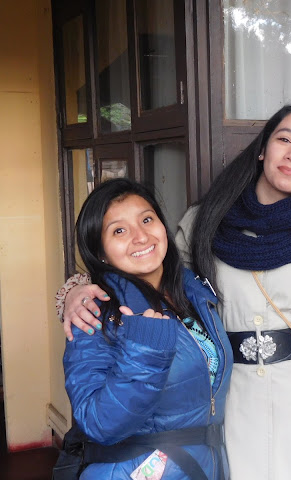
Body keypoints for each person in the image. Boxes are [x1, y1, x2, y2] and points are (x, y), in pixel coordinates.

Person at [56, 104, 291, 479]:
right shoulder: (205, 220)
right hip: (235, 398)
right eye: (284, 139)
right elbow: (156, 274)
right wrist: (76, 289)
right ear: (262, 149)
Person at [62, 178, 233, 479]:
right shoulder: (94, 314)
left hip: (202, 465)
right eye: (119, 230)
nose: (140, 237)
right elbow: (98, 424)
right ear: (100, 252)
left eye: (146, 220)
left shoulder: (194, 293)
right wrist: (145, 354)